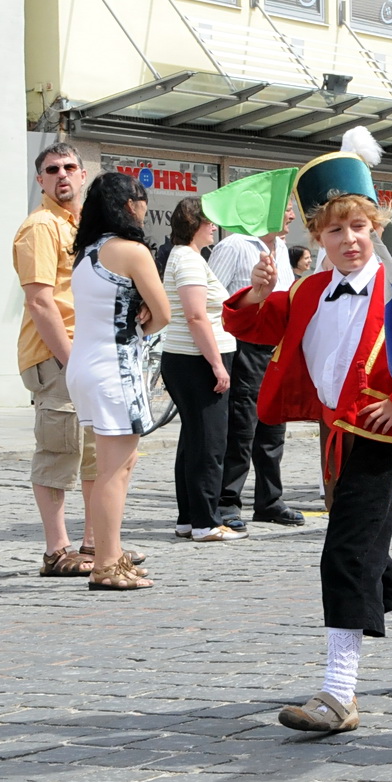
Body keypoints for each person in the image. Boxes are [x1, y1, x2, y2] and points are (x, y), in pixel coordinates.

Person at [223, 130, 392, 731]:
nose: (349, 241)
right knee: (368, 552)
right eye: (334, 231)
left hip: (380, 433)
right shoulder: (305, 290)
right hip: (333, 438)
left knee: (345, 552)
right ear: (316, 237)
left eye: (358, 228)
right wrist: (253, 291)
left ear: (374, 226)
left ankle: (338, 693)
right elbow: (252, 324)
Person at [66, 172, 171, 590]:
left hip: (84, 366)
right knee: (115, 470)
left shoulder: (87, 252)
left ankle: (110, 551)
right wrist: (143, 322)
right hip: (116, 367)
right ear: (131, 204)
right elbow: (163, 313)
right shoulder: (132, 251)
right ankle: (107, 562)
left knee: (113, 465)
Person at [13, 143, 102, 577]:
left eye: (69, 167)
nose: (62, 175)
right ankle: (56, 550)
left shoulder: (82, 226)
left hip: (84, 350)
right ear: (40, 180)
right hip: (55, 354)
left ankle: (93, 541)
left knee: (91, 452)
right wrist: (71, 361)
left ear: (83, 175)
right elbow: (39, 302)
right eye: (52, 169)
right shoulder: (41, 227)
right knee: (58, 449)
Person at [208, 203, 306, 528]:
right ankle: (227, 501)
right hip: (243, 346)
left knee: (274, 427)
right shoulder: (234, 245)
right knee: (242, 426)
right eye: (287, 208)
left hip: (276, 348)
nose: (292, 216)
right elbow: (212, 297)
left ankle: (269, 500)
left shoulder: (279, 247)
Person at [162, 197, 241, 541]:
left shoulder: (184, 257)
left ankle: (189, 517)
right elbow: (196, 316)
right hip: (197, 359)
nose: (213, 228)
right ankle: (206, 522)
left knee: (193, 440)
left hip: (186, 357)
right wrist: (216, 364)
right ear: (196, 224)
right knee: (209, 442)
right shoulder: (189, 260)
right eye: (209, 222)